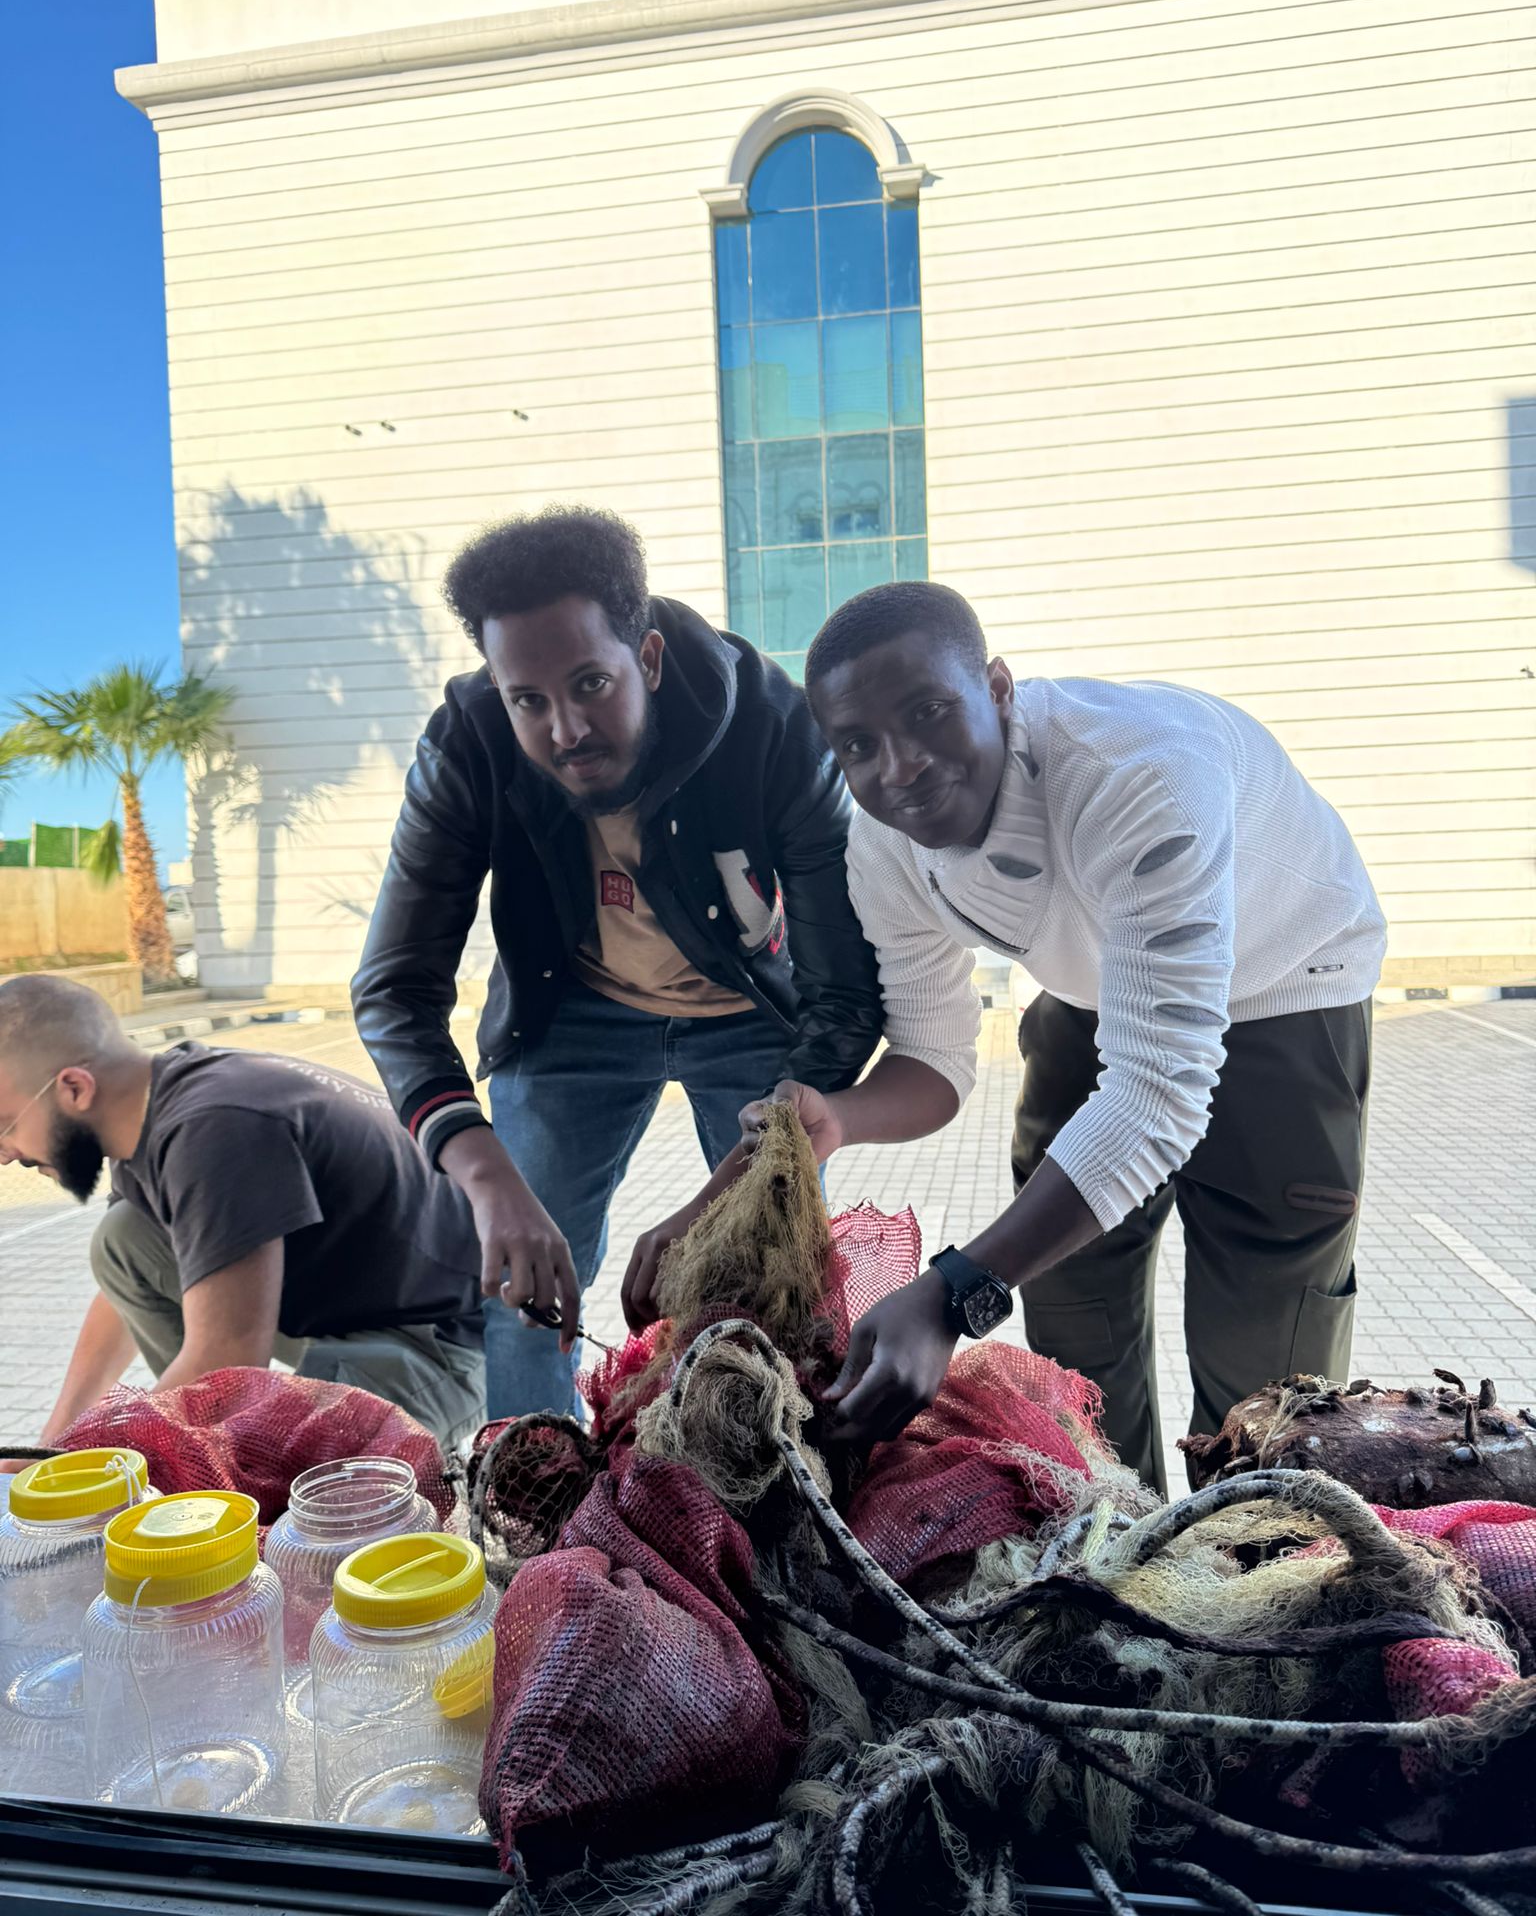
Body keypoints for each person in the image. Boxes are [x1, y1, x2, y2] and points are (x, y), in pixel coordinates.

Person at [714, 581, 1385, 1493]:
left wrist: (952, 1295)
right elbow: (934, 1053)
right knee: (1072, 1312)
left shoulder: (1139, 776)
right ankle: (1121, 1525)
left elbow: (1155, 1098)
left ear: (997, 688)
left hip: (1287, 983)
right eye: (859, 745)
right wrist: (842, 1115)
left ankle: (1248, 1549)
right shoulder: (881, 843)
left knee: (1265, 1379)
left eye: (929, 712)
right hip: (1092, 987)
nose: (900, 768)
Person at [352, 506, 883, 1419]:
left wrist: (718, 1202)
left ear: (649, 658)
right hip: (570, 1012)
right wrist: (488, 1180)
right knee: (519, 1286)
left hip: (749, 1009)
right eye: (528, 700)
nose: (565, 729)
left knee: (774, 1279)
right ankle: (530, 1484)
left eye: (591, 683)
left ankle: (777, 1474)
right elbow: (393, 989)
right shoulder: (468, 742)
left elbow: (844, 995)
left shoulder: (771, 725)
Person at [0, 975, 487, 1458]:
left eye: (4, 1126)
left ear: (74, 1088)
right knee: (123, 1238)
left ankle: (230, 1450)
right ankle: (211, 1441)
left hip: (440, 1349)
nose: (4, 1156)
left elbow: (228, 1353)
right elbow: (118, 1303)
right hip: (357, 1312)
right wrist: (47, 1449)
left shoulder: (216, 1129)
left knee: (288, 1480)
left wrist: (103, 1462)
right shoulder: (155, 1109)